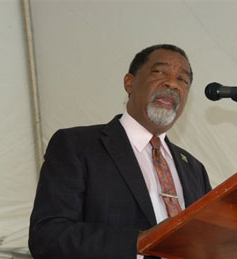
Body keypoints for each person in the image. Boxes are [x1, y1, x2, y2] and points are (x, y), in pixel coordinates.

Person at [28, 44, 212, 259]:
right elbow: (48, 236)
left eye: (183, 80)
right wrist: (138, 242)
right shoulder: (77, 145)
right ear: (129, 83)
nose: (172, 83)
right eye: (160, 72)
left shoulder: (195, 169)